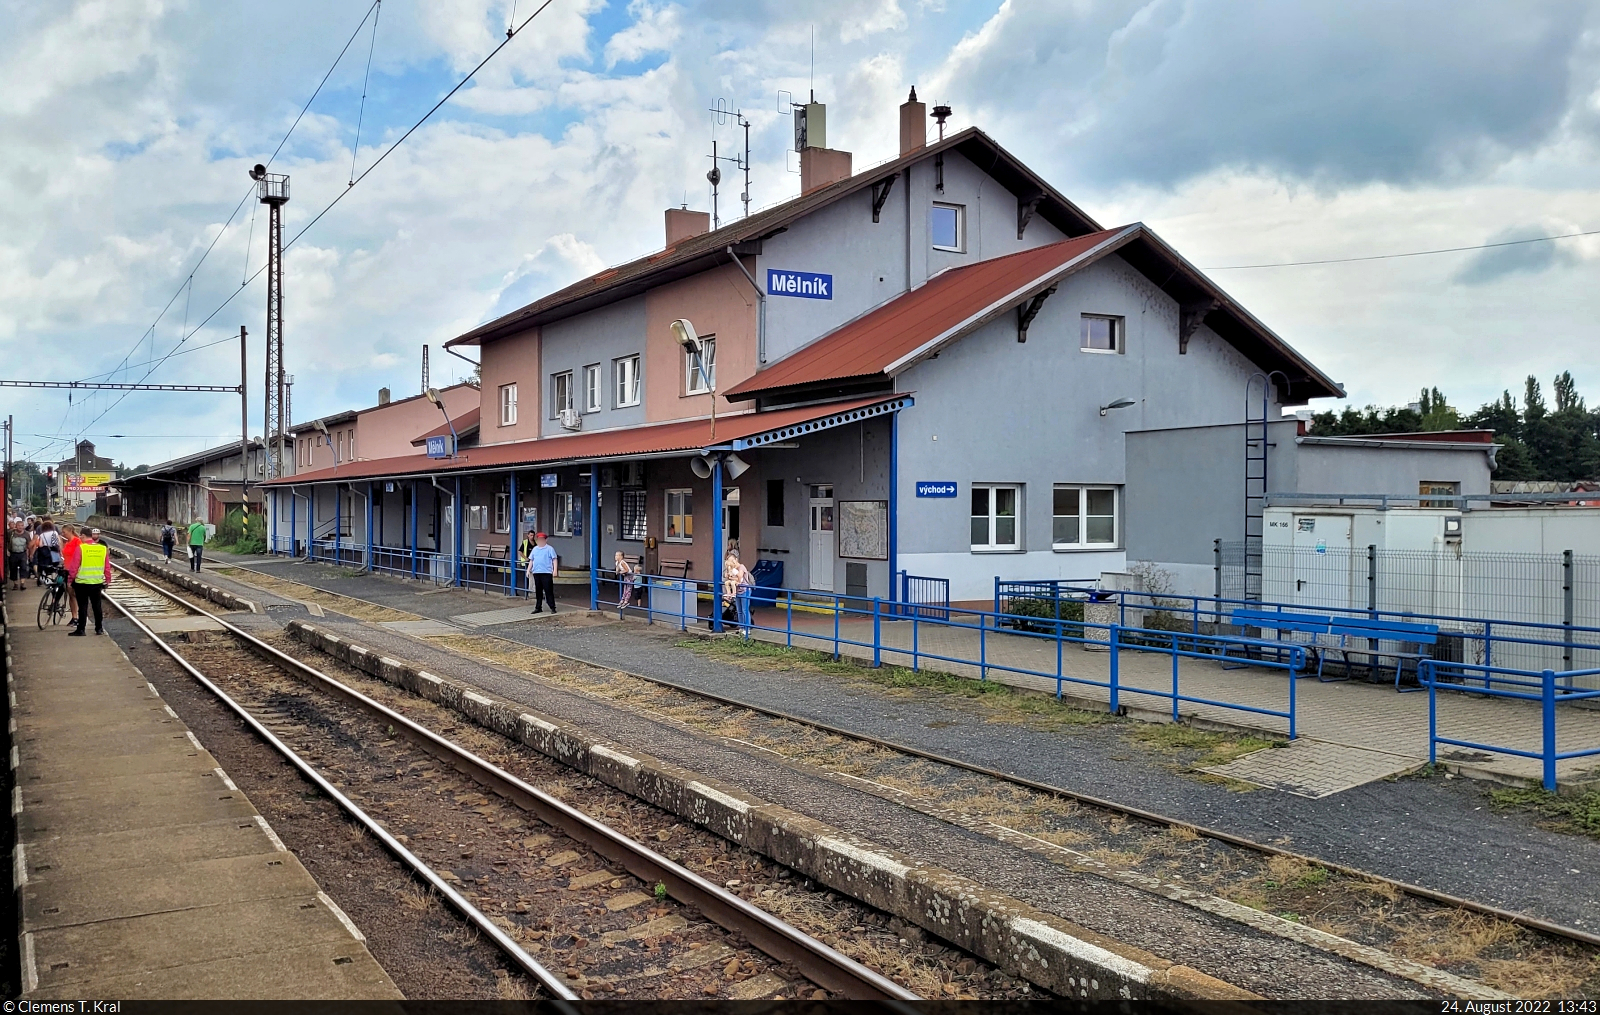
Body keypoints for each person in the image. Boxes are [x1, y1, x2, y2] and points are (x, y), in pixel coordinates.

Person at [67, 528, 112, 637]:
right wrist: (108, 579)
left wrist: (70, 580)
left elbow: (74, 566)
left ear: (82, 536)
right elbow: (107, 566)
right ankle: (99, 628)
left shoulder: (81, 548)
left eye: (80, 536)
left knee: (83, 606)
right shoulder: (102, 549)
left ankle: (81, 629)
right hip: (97, 582)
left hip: (82, 582)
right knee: (97, 606)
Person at [721, 547, 753, 634]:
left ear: (735, 560)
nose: (730, 563)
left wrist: (733, 569)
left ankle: (747, 629)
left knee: (745, 610)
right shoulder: (730, 568)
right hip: (738, 591)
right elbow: (728, 576)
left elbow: (739, 576)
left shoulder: (741, 567)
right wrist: (728, 572)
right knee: (739, 610)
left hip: (745, 590)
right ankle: (742, 627)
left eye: (732, 561)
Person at [527, 532, 558, 614]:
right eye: (539, 540)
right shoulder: (535, 549)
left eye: (542, 539)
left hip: (546, 572)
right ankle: (538, 607)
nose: (540, 541)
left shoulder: (549, 549)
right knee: (538, 591)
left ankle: (552, 607)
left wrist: (555, 570)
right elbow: (531, 560)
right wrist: (528, 570)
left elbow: (554, 559)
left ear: (545, 540)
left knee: (548, 590)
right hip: (537, 572)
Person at [59, 524, 81, 626]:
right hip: (67, 570)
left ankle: (78, 617)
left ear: (70, 531)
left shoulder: (77, 542)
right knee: (71, 595)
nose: (63, 534)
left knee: (75, 594)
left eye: (64, 532)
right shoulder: (67, 542)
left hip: (74, 571)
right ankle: (74, 617)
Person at [613, 550, 641, 618]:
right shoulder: (617, 562)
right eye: (615, 555)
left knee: (628, 589)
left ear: (621, 556)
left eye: (617, 555)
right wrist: (617, 571)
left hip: (629, 575)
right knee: (625, 588)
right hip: (625, 576)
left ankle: (626, 601)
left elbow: (627, 570)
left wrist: (621, 572)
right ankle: (622, 600)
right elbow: (617, 568)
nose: (615, 556)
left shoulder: (622, 562)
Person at [33, 520, 60, 584]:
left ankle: (46, 579)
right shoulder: (55, 532)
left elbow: (40, 545)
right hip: (54, 550)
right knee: (54, 566)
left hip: (45, 552)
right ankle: (53, 579)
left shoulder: (42, 535)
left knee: (46, 566)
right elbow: (57, 542)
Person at [7, 521, 27, 590]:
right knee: (13, 568)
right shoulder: (10, 533)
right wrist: (7, 551)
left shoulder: (26, 533)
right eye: (19, 525)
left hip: (23, 553)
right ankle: (15, 584)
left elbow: (29, 543)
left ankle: (22, 584)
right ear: (16, 526)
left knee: (23, 568)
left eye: (22, 525)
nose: (20, 527)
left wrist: (30, 553)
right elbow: (5, 541)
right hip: (13, 553)